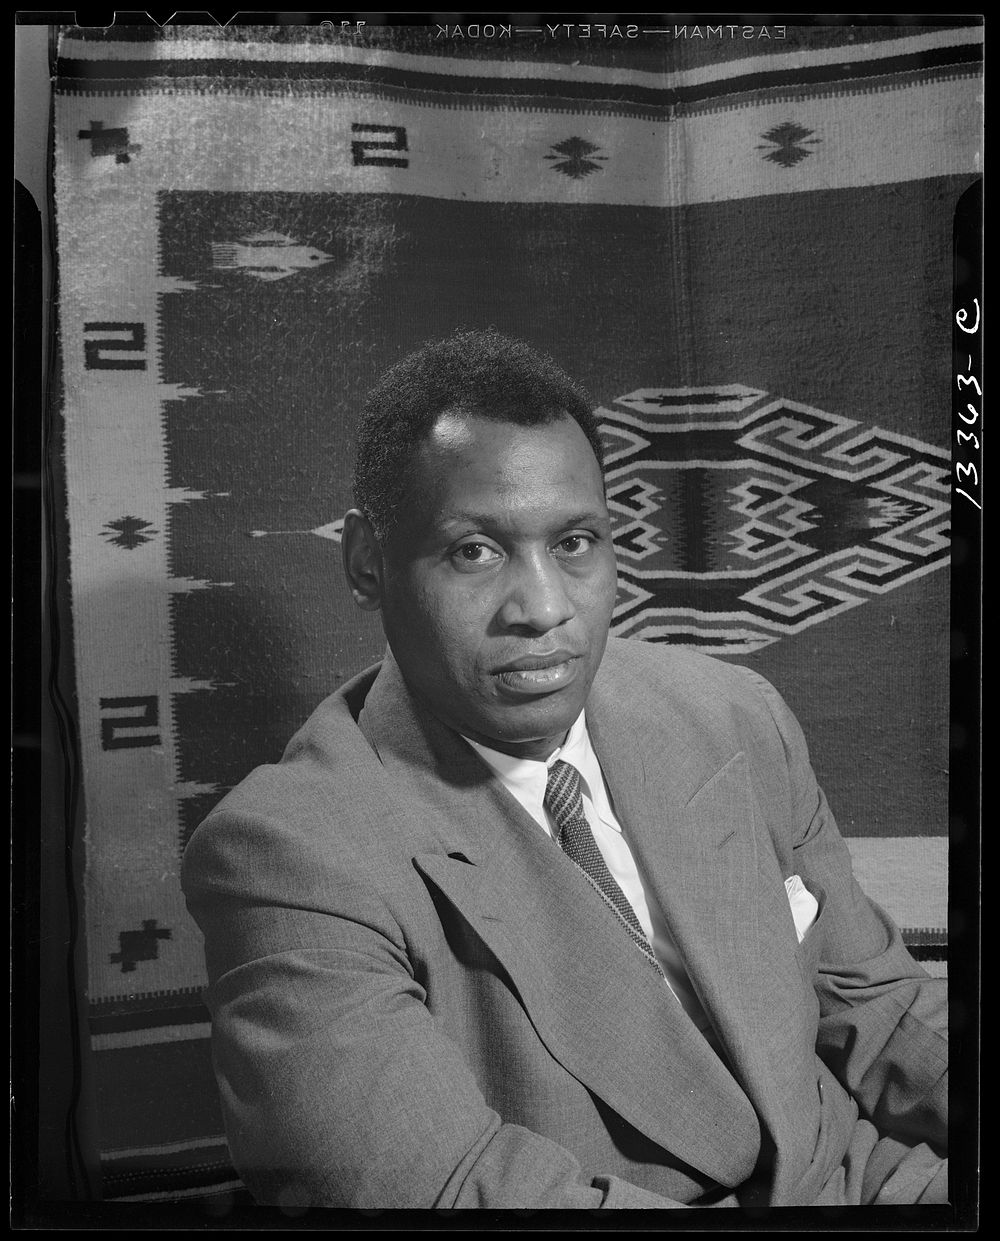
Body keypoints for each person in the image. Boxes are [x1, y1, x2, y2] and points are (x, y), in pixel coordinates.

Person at [181, 329, 948, 1210]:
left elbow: (883, 1011)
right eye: (476, 551)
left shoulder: (732, 716)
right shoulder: (288, 857)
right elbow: (456, 1190)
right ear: (367, 562)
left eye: (577, 542)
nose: (546, 610)